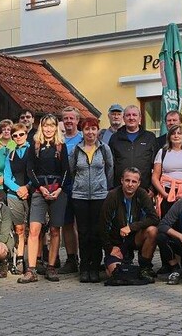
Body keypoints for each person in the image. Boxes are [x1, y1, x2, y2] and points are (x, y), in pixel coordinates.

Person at [18, 114, 70, 283]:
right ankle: (32, 269)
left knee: (55, 230)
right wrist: (40, 186)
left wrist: (59, 189)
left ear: (56, 127)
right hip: (39, 191)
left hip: (57, 191)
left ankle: (51, 266)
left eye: (52, 126)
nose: (48, 129)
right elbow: (30, 169)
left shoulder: (61, 146)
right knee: (34, 230)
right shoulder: (35, 145)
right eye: (46, 126)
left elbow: (66, 171)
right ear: (41, 127)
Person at [69, 117, 114, 282]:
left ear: (97, 131)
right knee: (83, 232)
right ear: (82, 131)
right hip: (79, 196)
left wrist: (104, 187)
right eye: (87, 129)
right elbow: (72, 170)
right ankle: (84, 267)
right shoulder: (75, 150)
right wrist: (79, 186)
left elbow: (110, 169)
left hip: (99, 196)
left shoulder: (104, 149)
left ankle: (95, 267)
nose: (90, 132)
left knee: (96, 233)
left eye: (93, 129)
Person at [99, 167, 158, 283]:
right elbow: (102, 226)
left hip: (135, 237)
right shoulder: (112, 196)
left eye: (134, 181)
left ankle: (145, 267)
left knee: (153, 231)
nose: (130, 184)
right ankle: (113, 263)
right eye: (127, 180)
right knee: (114, 273)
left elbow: (154, 218)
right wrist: (109, 248)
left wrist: (131, 227)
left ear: (139, 183)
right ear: (122, 180)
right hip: (116, 242)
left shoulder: (142, 194)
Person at [151, 124, 182, 226]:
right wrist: (164, 194)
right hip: (167, 192)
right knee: (168, 223)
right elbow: (155, 177)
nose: (176, 136)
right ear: (169, 136)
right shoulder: (162, 152)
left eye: (179, 133)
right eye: (173, 133)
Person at [4, 122, 32, 274]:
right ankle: (20, 259)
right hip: (14, 195)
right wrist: (18, 189)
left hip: (32, 192)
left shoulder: (33, 151)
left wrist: (27, 187)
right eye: (15, 135)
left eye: (21, 134)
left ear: (26, 135)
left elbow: (36, 172)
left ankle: (35, 259)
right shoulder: (10, 154)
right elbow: (7, 177)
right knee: (19, 229)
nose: (18, 137)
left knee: (33, 229)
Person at [109, 105, 158, 190]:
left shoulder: (150, 137)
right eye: (128, 115)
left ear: (140, 118)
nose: (131, 118)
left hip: (144, 189)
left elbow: (156, 165)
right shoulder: (115, 138)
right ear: (123, 118)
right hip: (120, 189)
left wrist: (153, 188)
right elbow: (110, 165)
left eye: (134, 115)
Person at [59, 106, 83, 274]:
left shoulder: (83, 138)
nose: (68, 121)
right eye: (65, 118)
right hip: (64, 187)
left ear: (77, 120)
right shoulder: (58, 140)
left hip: (82, 187)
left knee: (82, 225)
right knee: (67, 224)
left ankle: (87, 258)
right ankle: (71, 258)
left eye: (71, 118)